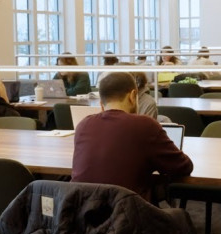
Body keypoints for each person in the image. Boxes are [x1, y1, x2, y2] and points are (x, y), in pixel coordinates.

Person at [71, 72, 193, 202]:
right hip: (126, 215)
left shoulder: (83, 125)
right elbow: (183, 167)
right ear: (133, 96)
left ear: (101, 104)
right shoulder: (145, 125)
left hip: (83, 214)